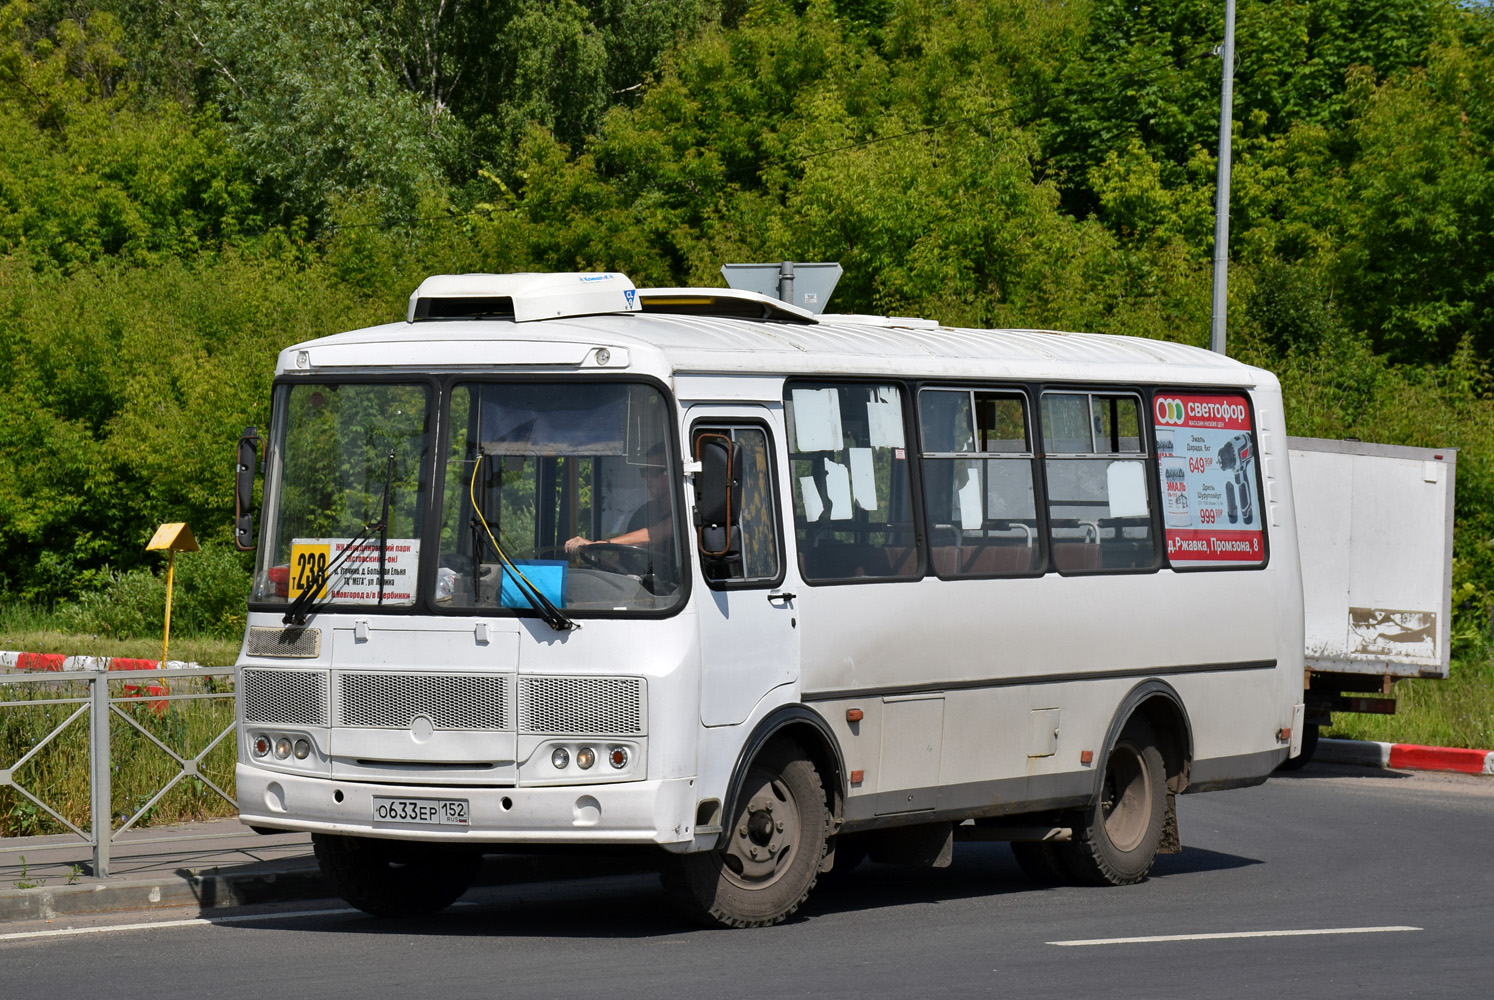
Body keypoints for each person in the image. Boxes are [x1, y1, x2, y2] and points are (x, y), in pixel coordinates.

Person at [564, 455, 677, 587]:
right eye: (644, 472)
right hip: (647, 586)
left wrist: (595, 545)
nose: (647, 478)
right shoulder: (645, 512)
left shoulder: (683, 513)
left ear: (671, 473)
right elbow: (623, 553)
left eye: (652, 472)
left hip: (678, 588)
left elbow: (653, 535)